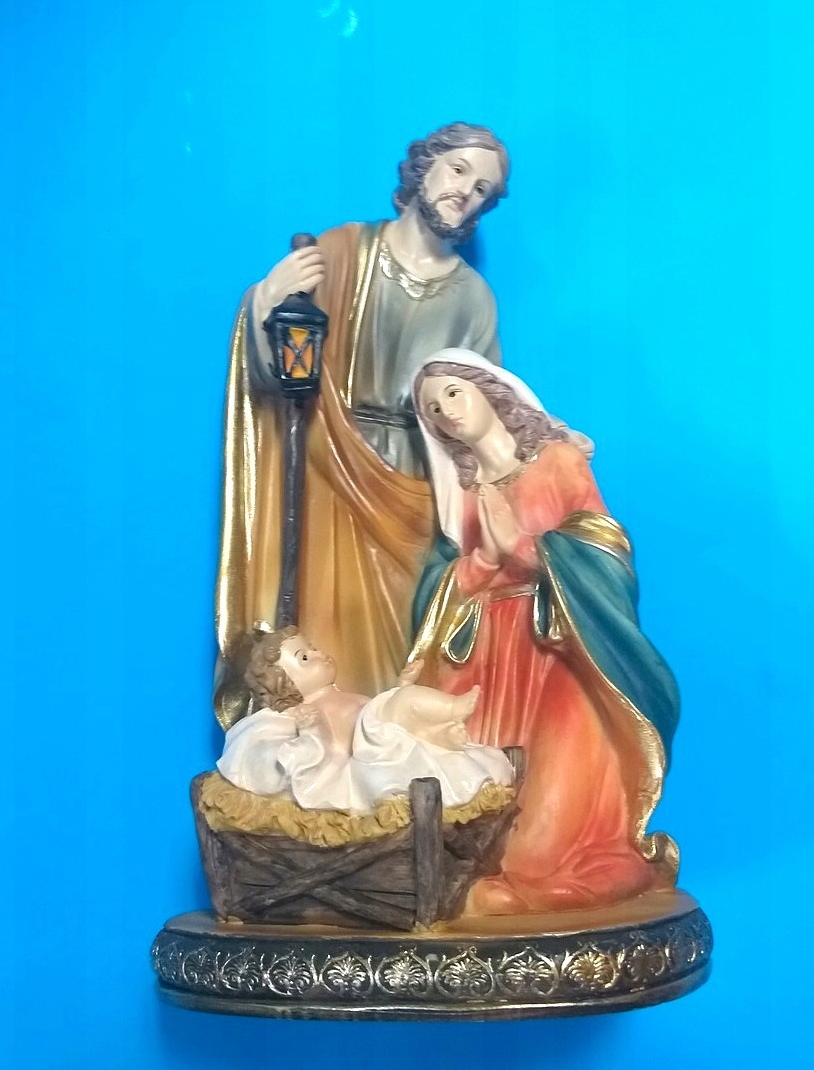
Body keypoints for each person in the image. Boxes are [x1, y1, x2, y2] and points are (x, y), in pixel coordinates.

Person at [215, 124, 511, 727]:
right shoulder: (343, 252)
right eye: (458, 170)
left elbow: (483, 407)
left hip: (416, 487)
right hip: (328, 464)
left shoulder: (473, 299)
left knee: (408, 640)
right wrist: (265, 301)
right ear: (424, 167)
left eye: (483, 188)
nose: (466, 192)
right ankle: (320, 742)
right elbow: (277, 364)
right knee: (326, 626)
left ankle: (393, 750)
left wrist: (536, 445)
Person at [408, 351, 681, 915]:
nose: (445, 411)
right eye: (432, 408)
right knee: (476, 803)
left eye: (454, 393)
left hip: (562, 648)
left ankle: (582, 875)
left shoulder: (558, 462)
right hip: (486, 660)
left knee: (541, 830)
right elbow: (440, 582)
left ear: (490, 390)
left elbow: (607, 552)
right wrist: (482, 563)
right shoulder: (459, 495)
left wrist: (525, 551)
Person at [215, 626, 513, 814]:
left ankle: (443, 735)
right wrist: (310, 730)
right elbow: (330, 745)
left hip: (385, 735)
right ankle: (452, 710)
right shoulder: (310, 708)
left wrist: (401, 685)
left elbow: (379, 709)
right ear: (285, 685)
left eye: (312, 647)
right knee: (403, 702)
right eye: (304, 658)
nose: (318, 654)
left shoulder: (338, 694)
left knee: (404, 707)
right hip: (372, 745)